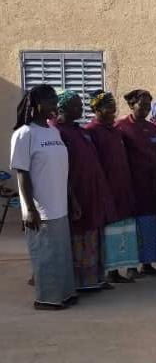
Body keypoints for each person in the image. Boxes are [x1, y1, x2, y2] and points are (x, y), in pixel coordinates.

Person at [11, 85, 77, 310]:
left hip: (60, 205)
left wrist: (72, 199)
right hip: (41, 209)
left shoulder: (53, 131)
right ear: (35, 104)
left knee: (61, 254)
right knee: (45, 255)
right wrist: (30, 209)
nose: (54, 105)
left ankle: (65, 294)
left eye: (55, 100)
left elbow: (61, 169)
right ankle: (47, 299)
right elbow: (22, 173)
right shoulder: (24, 134)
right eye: (49, 101)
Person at [52, 90, 114, 292]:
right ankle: (81, 282)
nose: (81, 108)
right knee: (79, 236)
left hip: (93, 191)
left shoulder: (81, 131)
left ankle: (96, 278)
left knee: (94, 234)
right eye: (76, 105)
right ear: (63, 107)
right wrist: (72, 197)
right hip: (76, 193)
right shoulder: (57, 132)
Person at [85, 91, 141, 283]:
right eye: (109, 109)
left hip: (122, 187)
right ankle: (109, 272)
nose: (113, 112)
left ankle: (120, 269)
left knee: (122, 231)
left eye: (114, 108)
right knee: (108, 232)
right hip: (106, 190)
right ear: (97, 109)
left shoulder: (115, 130)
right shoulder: (91, 131)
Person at [115, 89, 156, 276]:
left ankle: (147, 263)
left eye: (148, 105)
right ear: (131, 105)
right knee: (133, 227)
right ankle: (131, 267)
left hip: (152, 186)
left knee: (150, 226)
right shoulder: (121, 127)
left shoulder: (153, 129)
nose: (145, 108)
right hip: (133, 185)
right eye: (142, 104)